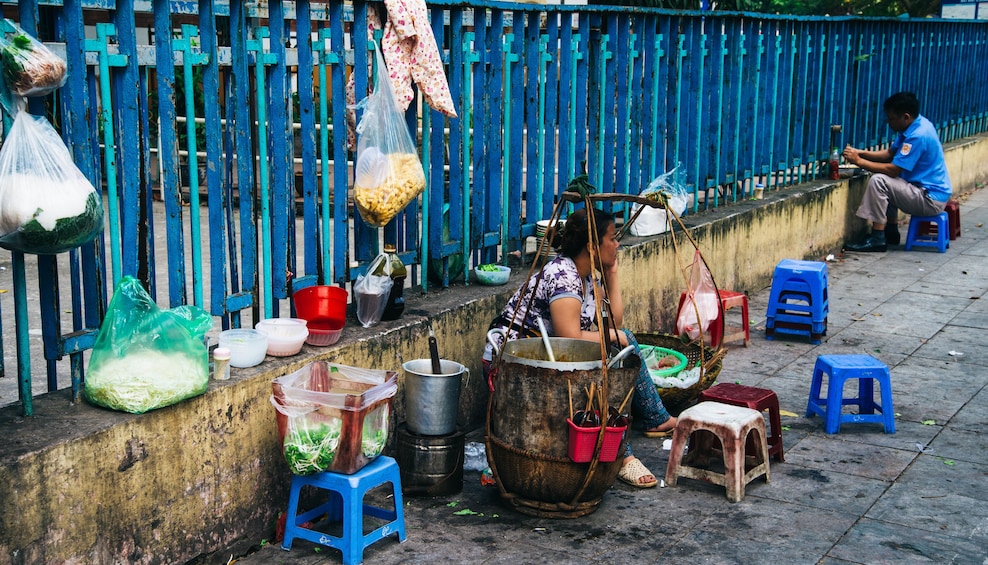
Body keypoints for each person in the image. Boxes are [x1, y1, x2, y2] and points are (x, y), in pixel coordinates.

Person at [482, 207, 676, 489]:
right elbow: (568, 336)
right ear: (592, 246)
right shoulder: (563, 274)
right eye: (612, 238)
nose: (617, 244)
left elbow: (614, 323)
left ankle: (651, 421)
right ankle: (623, 453)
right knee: (608, 358)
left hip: (549, 357)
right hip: (514, 362)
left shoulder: (587, 277)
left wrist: (612, 271)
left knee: (623, 340)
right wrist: (614, 337)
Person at [842, 91, 953, 252]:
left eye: (891, 118)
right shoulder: (916, 125)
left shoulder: (918, 136)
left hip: (929, 200)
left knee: (880, 181)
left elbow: (893, 170)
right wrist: (861, 153)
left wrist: (859, 162)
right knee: (889, 181)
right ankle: (891, 231)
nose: (888, 122)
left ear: (905, 117)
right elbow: (890, 154)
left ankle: (877, 238)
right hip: (926, 192)